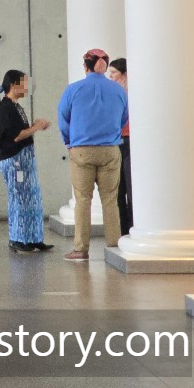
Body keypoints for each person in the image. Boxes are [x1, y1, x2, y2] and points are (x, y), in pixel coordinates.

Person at [57, 48, 128, 263]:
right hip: (110, 150)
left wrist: (69, 142)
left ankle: (81, 249)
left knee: (83, 200)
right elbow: (124, 117)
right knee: (110, 199)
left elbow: (63, 118)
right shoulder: (118, 90)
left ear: (86, 66)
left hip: (82, 151)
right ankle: (114, 245)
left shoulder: (74, 89)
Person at [0, 70, 53, 254]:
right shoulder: (6, 108)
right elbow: (16, 136)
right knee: (19, 198)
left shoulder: (16, 106)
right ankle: (18, 238)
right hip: (14, 160)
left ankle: (34, 238)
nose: (28, 87)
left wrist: (34, 127)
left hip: (24, 159)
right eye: (24, 83)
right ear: (13, 85)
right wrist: (36, 127)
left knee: (32, 198)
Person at [108, 57, 133, 236]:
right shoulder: (113, 94)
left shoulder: (132, 93)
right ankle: (122, 230)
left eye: (114, 73)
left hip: (129, 140)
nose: (111, 77)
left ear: (125, 74)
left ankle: (132, 227)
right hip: (117, 141)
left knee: (130, 187)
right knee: (118, 189)